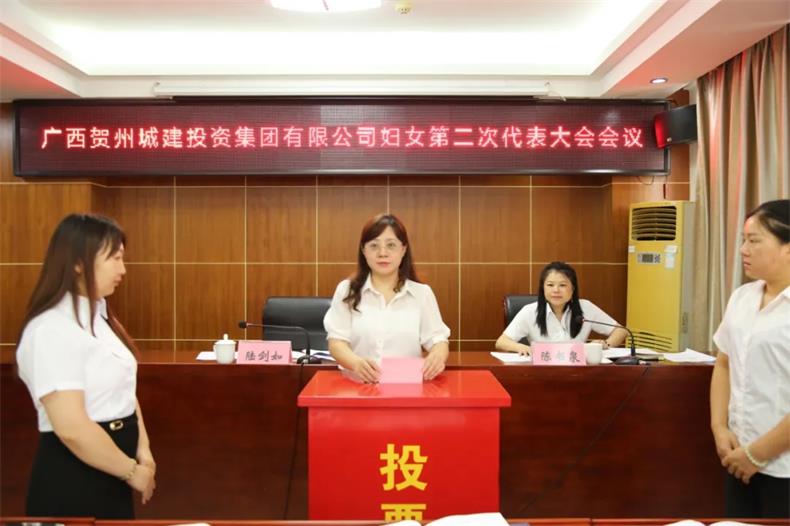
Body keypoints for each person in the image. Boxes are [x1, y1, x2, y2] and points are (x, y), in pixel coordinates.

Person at [15, 213, 156, 518]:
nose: (123, 269)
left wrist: (143, 451)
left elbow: (123, 392)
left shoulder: (100, 318)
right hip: (75, 474)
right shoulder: (51, 329)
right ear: (78, 262)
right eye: (114, 258)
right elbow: (72, 428)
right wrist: (132, 471)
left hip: (115, 467)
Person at [710, 199, 790, 518]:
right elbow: (724, 362)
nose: (744, 249)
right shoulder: (742, 298)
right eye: (744, 240)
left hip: (782, 467)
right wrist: (719, 427)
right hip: (738, 459)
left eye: (754, 241)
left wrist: (757, 455)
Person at [323, 213, 451, 383]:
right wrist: (356, 363)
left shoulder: (422, 293)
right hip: (356, 387)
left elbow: (438, 340)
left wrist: (437, 356)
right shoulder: (347, 291)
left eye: (391, 245)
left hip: (406, 387)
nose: (382, 253)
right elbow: (336, 342)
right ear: (363, 250)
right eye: (374, 245)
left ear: (403, 249)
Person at [495, 261, 627, 355]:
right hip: (542, 372)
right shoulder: (529, 311)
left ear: (573, 288)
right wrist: (521, 347)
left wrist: (605, 345)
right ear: (543, 288)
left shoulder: (586, 307)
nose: (556, 290)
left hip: (578, 371)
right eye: (550, 285)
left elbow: (621, 331)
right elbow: (501, 342)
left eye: (562, 285)